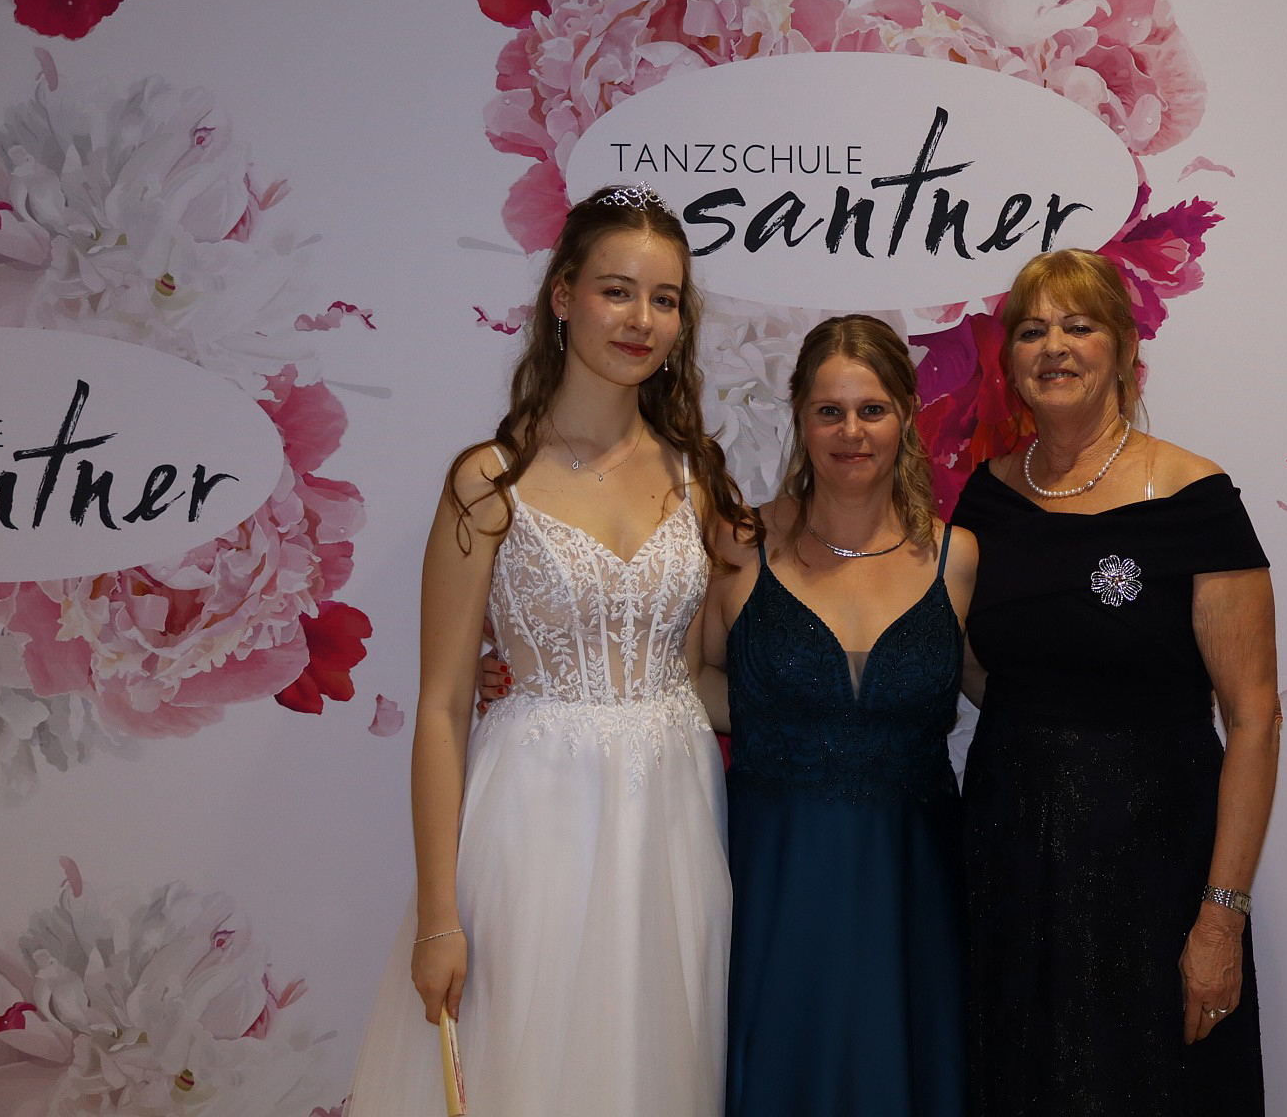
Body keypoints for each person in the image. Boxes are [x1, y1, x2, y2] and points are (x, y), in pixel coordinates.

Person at [347, 186, 749, 1117]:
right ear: (563, 296)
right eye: (617, 291)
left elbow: (697, 679)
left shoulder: (698, 479)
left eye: (663, 299)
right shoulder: (489, 481)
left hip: (674, 823)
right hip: (536, 819)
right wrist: (437, 916)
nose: (641, 320)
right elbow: (442, 707)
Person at [949, 249, 1281, 1116]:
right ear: (1010, 361)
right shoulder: (984, 499)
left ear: (1127, 349)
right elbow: (976, 663)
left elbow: (1254, 718)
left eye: (1078, 325)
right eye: (1032, 330)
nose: (1054, 347)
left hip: (1154, 866)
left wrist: (1221, 916)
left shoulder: (1196, 499)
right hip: (1010, 856)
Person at [704, 315, 978, 1117]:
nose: (851, 432)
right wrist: (533, 673)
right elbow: (679, 681)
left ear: (906, 417)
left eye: (872, 410)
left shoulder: (958, 557)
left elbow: (1013, 691)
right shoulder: (739, 543)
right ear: (799, 417)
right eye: (829, 411)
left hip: (912, 893)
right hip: (777, 880)